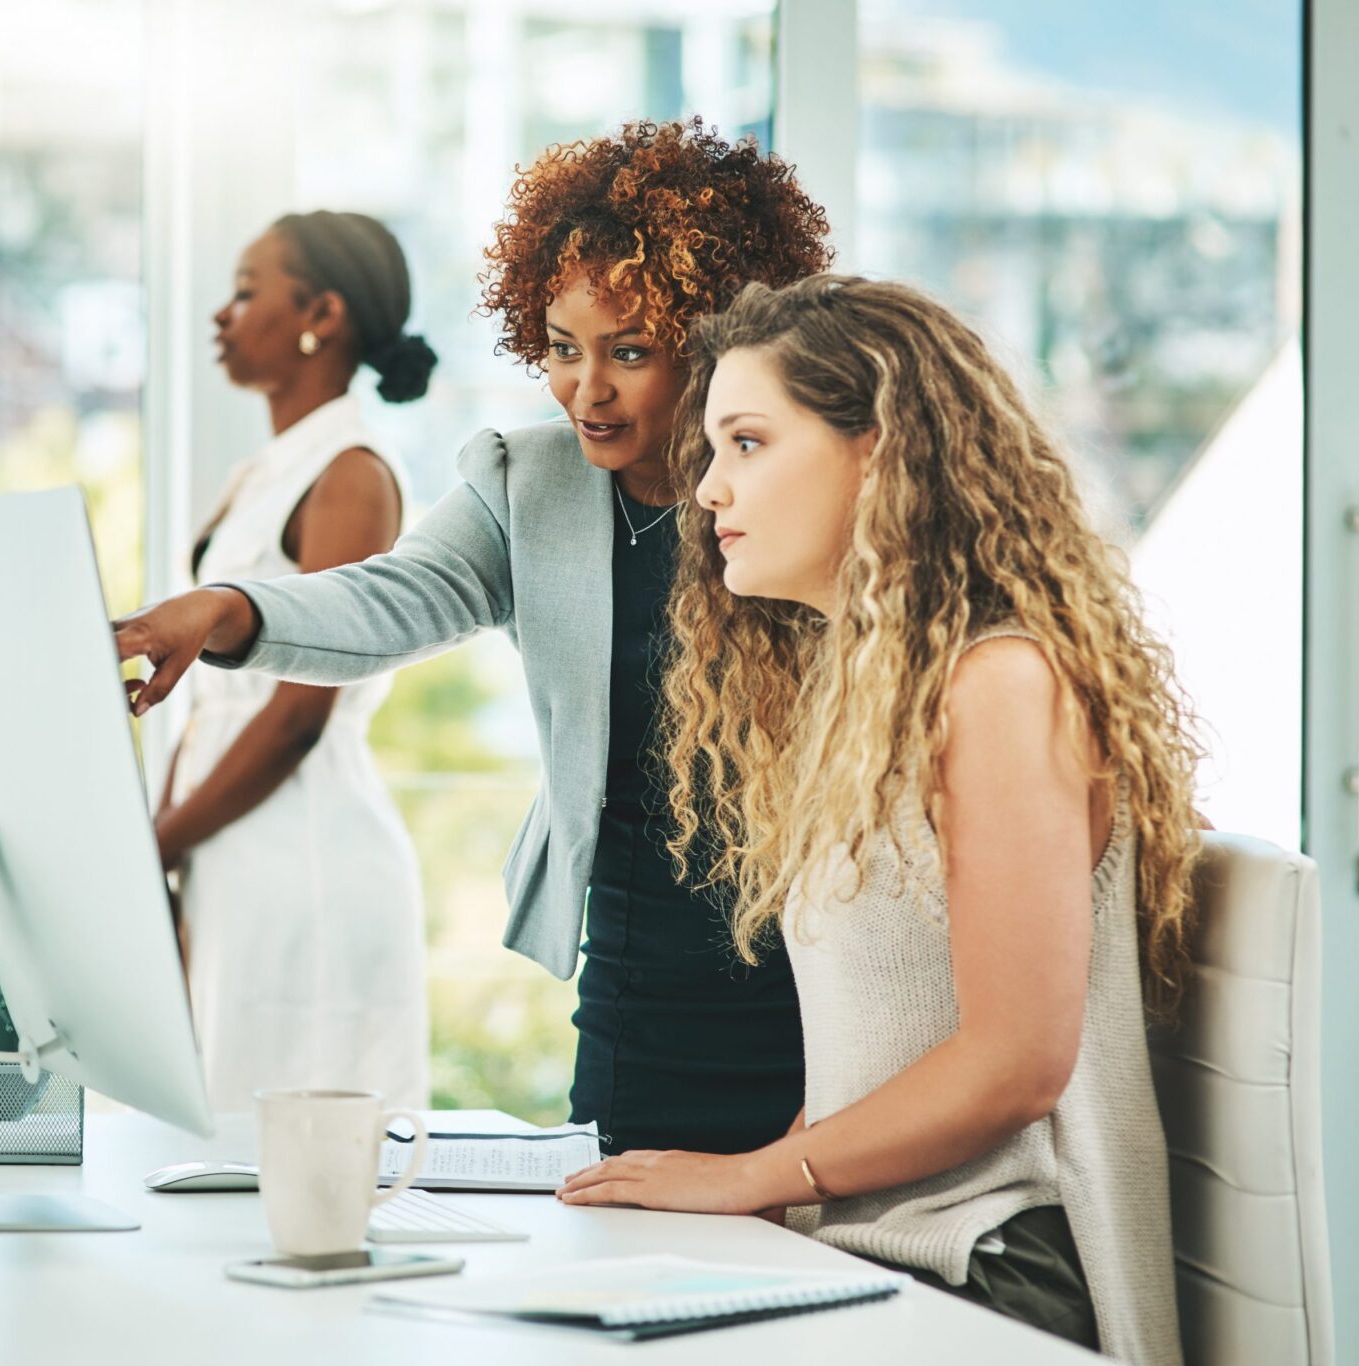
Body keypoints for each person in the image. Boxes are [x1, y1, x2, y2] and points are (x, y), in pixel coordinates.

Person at [116, 120, 832, 1152]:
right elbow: (391, 598)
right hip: (635, 977)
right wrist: (231, 609)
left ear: (719, 342)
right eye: (559, 349)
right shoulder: (525, 483)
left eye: (627, 352)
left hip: (813, 979)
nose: (586, 390)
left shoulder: (791, 486)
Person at [556, 276, 1195, 1364]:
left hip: (989, 1267)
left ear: (881, 448)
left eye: (746, 443)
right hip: (872, 1250)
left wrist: (746, 1175)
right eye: (712, 450)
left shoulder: (999, 682)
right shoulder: (870, 700)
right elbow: (879, 1054)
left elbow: (1011, 1063)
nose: (705, 490)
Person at [159, 211, 438, 1110]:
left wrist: (155, 845)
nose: (221, 316)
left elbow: (297, 712)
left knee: (277, 1159)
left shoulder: (349, 471)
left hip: (302, 857)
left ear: (321, 311)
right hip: (233, 843)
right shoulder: (272, 467)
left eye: (246, 291)